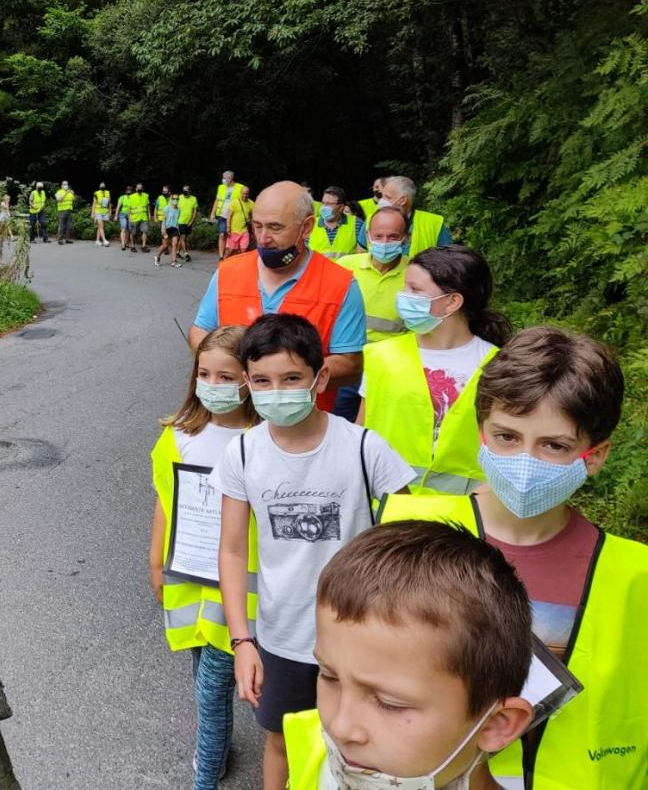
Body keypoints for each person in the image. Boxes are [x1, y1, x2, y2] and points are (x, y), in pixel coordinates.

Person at [378, 327, 648, 789]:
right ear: (482, 434)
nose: (525, 461)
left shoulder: (633, 575)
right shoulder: (406, 535)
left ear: (596, 455)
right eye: (507, 436)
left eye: (554, 445)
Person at [213, 313, 416, 790]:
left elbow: (410, 543)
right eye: (261, 381)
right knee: (283, 740)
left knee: (363, 745)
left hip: (361, 637)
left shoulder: (365, 448)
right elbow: (231, 550)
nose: (276, 390)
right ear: (246, 382)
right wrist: (243, 641)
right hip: (282, 637)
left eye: (291, 378)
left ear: (320, 377)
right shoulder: (242, 453)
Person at [283, 520, 536, 790]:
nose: (339, 727)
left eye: (389, 703)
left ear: (495, 725)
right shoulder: (313, 751)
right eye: (329, 676)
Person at [149, 326, 258, 790]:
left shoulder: (264, 440)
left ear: (249, 380)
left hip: (236, 592)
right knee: (201, 675)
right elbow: (164, 501)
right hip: (186, 579)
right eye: (204, 374)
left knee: (212, 689)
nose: (212, 385)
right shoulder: (179, 436)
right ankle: (220, 745)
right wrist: (155, 563)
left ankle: (206, 777)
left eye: (226, 376)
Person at [190, 181, 366, 413]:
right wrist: (227, 369)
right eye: (257, 226)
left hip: (304, 426)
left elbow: (351, 364)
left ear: (307, 227)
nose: (263, 238)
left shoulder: (341, 284)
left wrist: (281, 379)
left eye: (275, 227)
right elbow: (199, 332)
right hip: (232, 418)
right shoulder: (228, 271)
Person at [359, 245, 511, 494]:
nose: (403, 295)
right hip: (388, 509)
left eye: (415, 289)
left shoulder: (497, 365)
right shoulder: (381, 356)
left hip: (464, 513)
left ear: (452, 301)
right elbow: (362, 430)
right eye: (405, 286)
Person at [331, 205, 410, 420]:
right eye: (379, 236)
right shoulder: (345, 267)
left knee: (378, 425)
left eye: (393, 236)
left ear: (405, 238)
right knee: (339, 421)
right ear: (367, 236)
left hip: (391, 368)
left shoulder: (416, 274)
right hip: (349, 362)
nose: (384, 243)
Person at [359, 175, 452, 256]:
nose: (381, 201)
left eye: (387, 197)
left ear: (403, 200)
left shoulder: (434, 223)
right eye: (382, 196)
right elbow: (360, 255)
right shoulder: (372, 220)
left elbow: (448, 260)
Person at [308, 186, 362, 258]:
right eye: (323, 203)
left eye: (330, 204)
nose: (324, 207)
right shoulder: (311, 224)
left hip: (345, 269)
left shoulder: (357, 224)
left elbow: (361, 254)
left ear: (341, 207)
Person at [211, 171, 246, 258]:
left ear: (230, 178)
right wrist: (212, 213)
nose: (223, 180)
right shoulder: (221, 187)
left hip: (234, 216)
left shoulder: (240, 187)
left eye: (224, 178)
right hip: (222, 215)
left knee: (231, 235)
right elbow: (217, 200)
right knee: (222, 234)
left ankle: (230, 253)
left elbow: (244, 201)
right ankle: (221, 256)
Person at [153, 192, 182, 267]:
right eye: (174, 199)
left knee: (174, 244)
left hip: (174, 228)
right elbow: (164, 219)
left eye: (177, 199)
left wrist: (178, 229)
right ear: (171, 199)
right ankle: (157, 257)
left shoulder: (178, 210)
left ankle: (173, 262)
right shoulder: (167, 208)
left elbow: (177, 220)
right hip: (166, 228)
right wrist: (163, 229)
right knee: (165, 245)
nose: (175, 200)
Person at [224, 185, 254, 257]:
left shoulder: (252, 204)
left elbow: (253, 218)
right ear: (240, 193)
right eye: (244, 193)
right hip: (233, 231)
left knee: (243, 251)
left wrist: (253, 231)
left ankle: (238, 266)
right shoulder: (234, 202)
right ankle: (223, 264)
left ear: (248, 194)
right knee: (230, 251)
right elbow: (229, 217)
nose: (245, 195)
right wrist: (228, 228)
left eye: (246, 193)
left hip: (244, 231)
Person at [176, 184, 198, 262]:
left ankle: (177, 252)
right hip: (180, 221)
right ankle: (186, 254)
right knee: (183, 238)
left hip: (188, 222)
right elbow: (175, 208)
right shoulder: (179, 197)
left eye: (186, 190)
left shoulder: (194, 199)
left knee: (184, 238)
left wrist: (191, 221)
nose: (185, 191)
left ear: (190, 191)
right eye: (184, 190)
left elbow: (195, 211)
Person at [128, 183, 150, 252]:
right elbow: (129, 208)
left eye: (141, 188)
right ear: (136, 189)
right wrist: (129, 217)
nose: (139, 189)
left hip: (143, 217)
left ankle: (144, 246)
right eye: (138, 188)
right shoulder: (131, 197)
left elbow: (148, 206)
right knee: (133, 233)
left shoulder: (146, 196)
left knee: (145, 231)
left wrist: (149, 214)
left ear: (142, 189)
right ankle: (132, 246)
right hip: (134, 218)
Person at [91, 182, 112, 247]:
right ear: (99, 187)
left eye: (103, 185)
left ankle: (97, 240)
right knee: (101, 226)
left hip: (105, 211)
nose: (102, 186)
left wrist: (110, 211)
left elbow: (109, 203)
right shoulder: (96, 193)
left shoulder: (108, 192)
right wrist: (93, 213)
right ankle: (104, 240)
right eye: (101, 185)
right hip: (98, 211)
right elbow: (94, 204)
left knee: (100, 227)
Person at [114, 184, 132, 250]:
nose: (128, 191)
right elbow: (118, 207)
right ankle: (123, 244)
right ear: (125, 191)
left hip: (131, 215)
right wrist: (116, 215)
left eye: (130, 190)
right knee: (123, 228)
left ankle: (126, 243)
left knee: (129, 230)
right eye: (127, 190)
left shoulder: (133, 197)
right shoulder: (122, 197)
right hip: (123, 214)